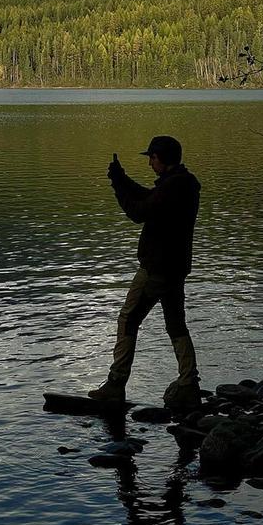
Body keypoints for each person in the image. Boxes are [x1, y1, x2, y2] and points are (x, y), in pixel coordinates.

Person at [88, 135, 202, 411]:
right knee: (176, 323)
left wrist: (118, 185)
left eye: (152, 157)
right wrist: (122, 178)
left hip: (157, 268)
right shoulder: (183, 183)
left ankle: (116, 384)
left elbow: (139, 211)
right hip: (176, 267)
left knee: (128, 320)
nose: (150, 162)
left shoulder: (173, 187)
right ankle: (188, 384)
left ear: (161, 159)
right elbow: (149, 198)